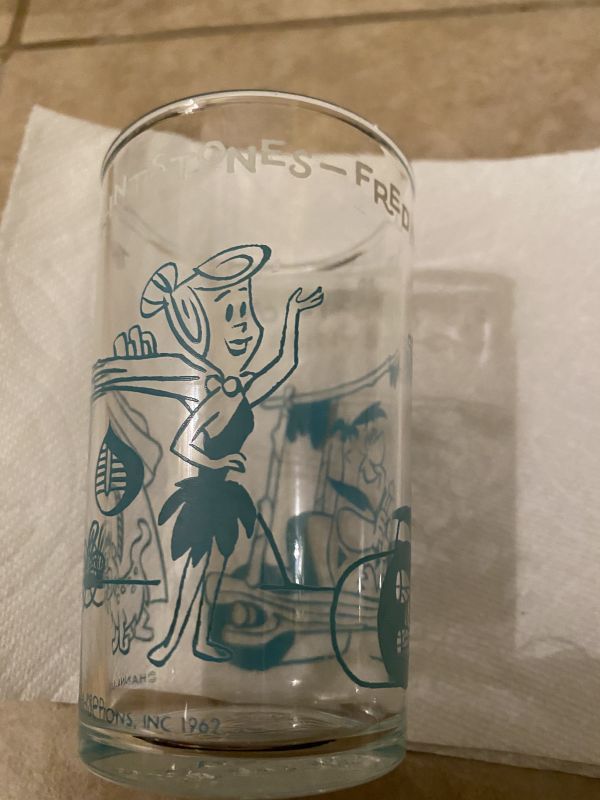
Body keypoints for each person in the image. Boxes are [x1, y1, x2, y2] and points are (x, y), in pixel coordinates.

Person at [93, 244, 323, 664]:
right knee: (195, 570)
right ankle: (169, 642)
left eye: (245, 311)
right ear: (199, 327)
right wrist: (217, 462)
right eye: (229, 314)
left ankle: (199, 640)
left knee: (215, 568)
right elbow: (183, 442)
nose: (243, 324)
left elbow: (284, 363)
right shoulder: (215, 395)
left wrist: (292, 313)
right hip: (203, 494)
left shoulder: (240, 389)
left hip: (225, 497)